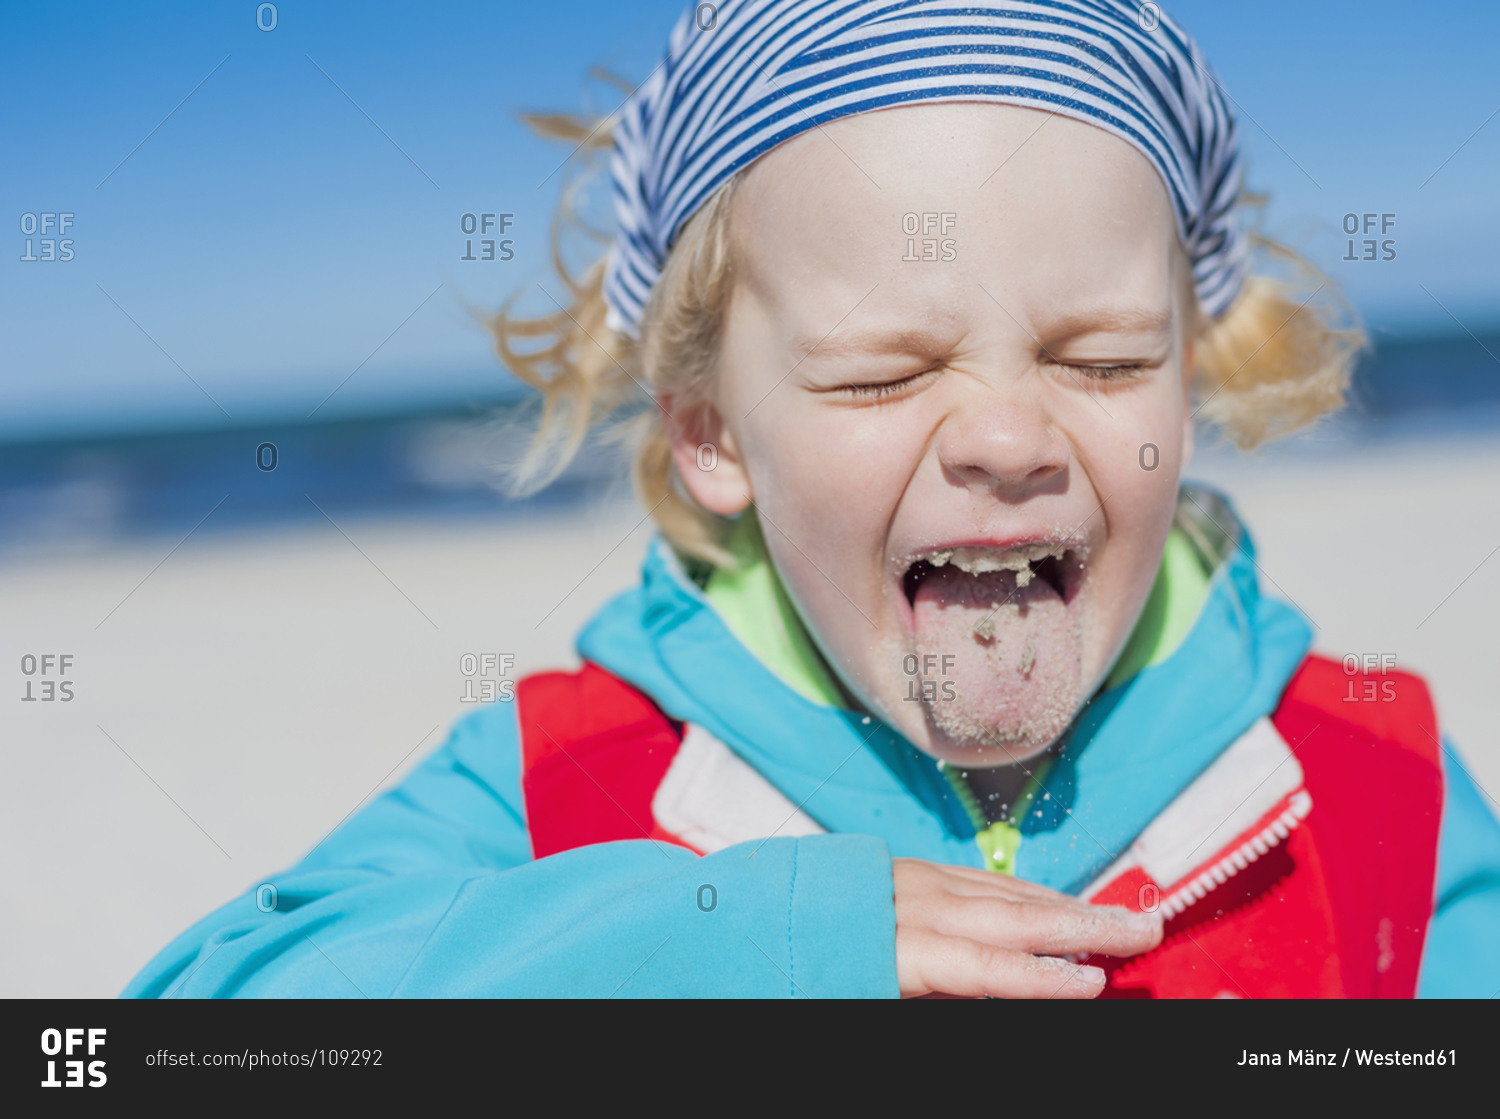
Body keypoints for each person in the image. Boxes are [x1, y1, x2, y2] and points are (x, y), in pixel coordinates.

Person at [126, 0, 1500, 998]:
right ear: (715, 433)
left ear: (1187, 385)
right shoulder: (568, 786)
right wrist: (745, 938)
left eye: (1102, 359)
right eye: (880, 375)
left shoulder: (1377, 784)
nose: (1011, 434)